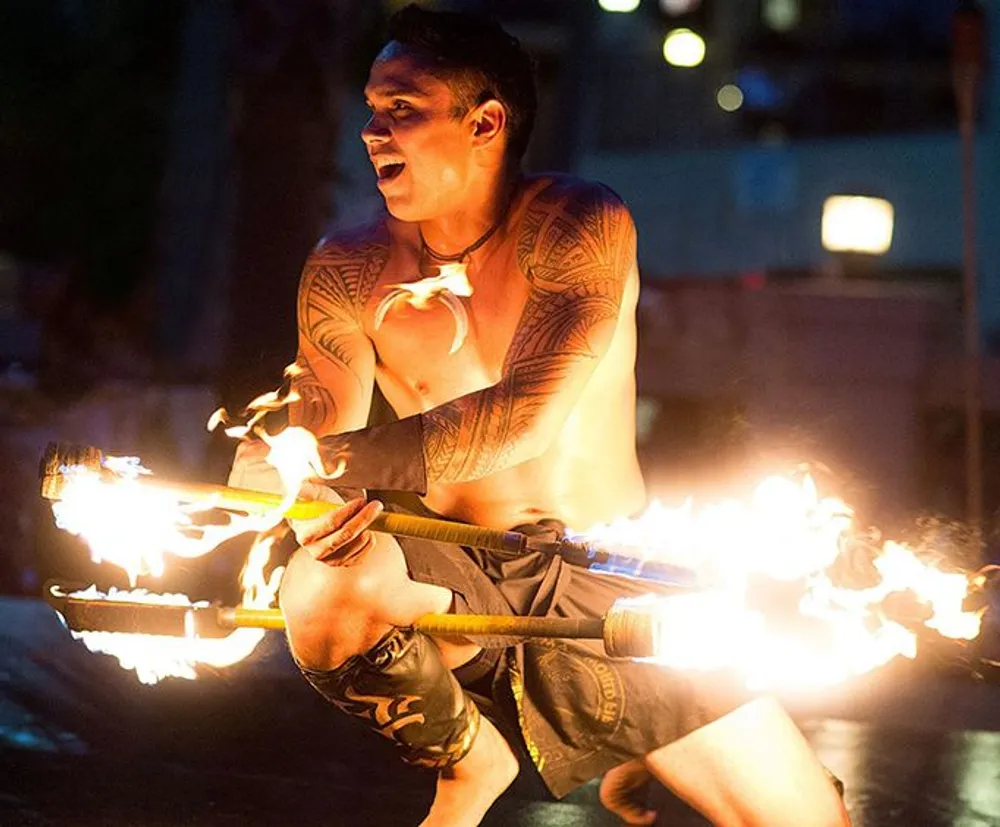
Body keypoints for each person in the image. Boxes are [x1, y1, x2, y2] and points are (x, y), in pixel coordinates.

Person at [230, 6, 851, 826]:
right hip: (453, 578)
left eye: (402, 110)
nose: (372, 131)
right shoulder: (346, 268)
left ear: (485, 121)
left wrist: (322, 464)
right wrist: (296, 491)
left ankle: (634, 743)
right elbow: (319, 423)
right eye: (373, 108)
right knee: (319, 586)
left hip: (608, 591)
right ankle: (468, 764)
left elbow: (523, 419)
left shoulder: (578, 224)